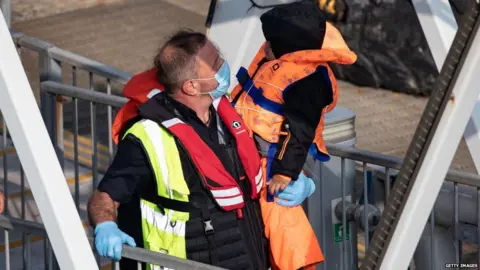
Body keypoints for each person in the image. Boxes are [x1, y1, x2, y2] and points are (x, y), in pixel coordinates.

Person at [88, 29, 314, 270]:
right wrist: (105, 225)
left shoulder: (231, 111)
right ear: (192, 87)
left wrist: (300, 177)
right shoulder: (148, 137)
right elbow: (104, 197)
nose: (224, 66)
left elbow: (266, 154)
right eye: (215, 64)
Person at [230, 1, 357, 269]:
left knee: (282, 220)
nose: (265, 48)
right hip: (254, 151)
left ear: (286, 47)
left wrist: (285, 173)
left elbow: (299, 131)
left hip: (277, 158)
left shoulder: (307, 81)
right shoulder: (283, 58)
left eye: (271, 43)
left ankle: (299, 266)